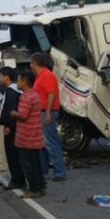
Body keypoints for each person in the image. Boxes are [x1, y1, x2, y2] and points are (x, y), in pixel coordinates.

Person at [9, 69, 47, 197]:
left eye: (19, 80)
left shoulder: (26, 96)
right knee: (36, 164)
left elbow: (23, 115)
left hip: (26, 138)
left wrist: (13, 113)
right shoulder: (35, 94)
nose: (17, 82)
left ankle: (34, 189)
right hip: (35, 136)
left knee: (28, 165)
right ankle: (40, 187)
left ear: (25, 82)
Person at [30, 52, 66, 181]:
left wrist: (49, 113)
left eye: (31, 63)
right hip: (42, 112)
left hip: (46, 112)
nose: (30, 66)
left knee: (51, 143)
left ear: (34, 63)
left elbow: (51, 94)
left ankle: (59, 172)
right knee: (43, 144)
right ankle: (43, 170)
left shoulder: (46, 75)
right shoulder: (41, 76)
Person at [0, 68, 25, 190]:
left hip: (12, 128)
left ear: (6, 77)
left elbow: (11, 110)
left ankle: (17, 180)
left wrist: (9, 126)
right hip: (16, 127)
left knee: (12, 154)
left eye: (0, 76)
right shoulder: (15, 90)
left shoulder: (11, 91)